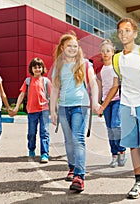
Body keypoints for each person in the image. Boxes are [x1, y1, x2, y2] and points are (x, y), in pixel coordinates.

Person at [97, 18, 140, 199]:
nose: (123, 34)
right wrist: (103, 105)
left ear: (134, 33)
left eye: (127, 30)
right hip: (126, 105)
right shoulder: (117, 58)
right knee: (133, 145)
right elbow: (116, 85)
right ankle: (138, 180)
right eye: (120, 31)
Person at [50, 32, 100, 192]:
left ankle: (79, 176)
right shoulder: (58, 66)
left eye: (75, 46)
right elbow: (54, 90)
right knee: (68, 141)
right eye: (69, 46)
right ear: (62, 48)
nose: (72, 48)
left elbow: (93, 84)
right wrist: (53, 110)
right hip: (64, 107)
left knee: (78, 139)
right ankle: (72, 167)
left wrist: (95, 102)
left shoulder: (85, 64)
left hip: (81, 105)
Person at [10, 57, 51, 163]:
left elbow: (52, 95)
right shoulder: (28, 81)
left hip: (44, 110)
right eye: (35, 67)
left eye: (39, 67)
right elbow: (22, 94)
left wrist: (56, 110)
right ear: (31, 69)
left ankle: (44, 154)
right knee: (32, 133)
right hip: (32, 111)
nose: (37, 69)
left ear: (42, 68)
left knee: (44, 132)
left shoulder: (46, 81)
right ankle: (31, 149)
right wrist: (16, 107)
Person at [96, 39, 127, 168]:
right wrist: (99, 105)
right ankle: (114, 155)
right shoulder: (100, 69)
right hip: (105, 102)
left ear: (113, 52)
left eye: (108, 51)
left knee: (115, 125)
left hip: (117, 100)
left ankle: (121, 151)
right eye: (103, 51)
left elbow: (115, 87)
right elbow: (99, 87)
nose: (105, 53)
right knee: (109, 129)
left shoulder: (116, 67)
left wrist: (103, 105)